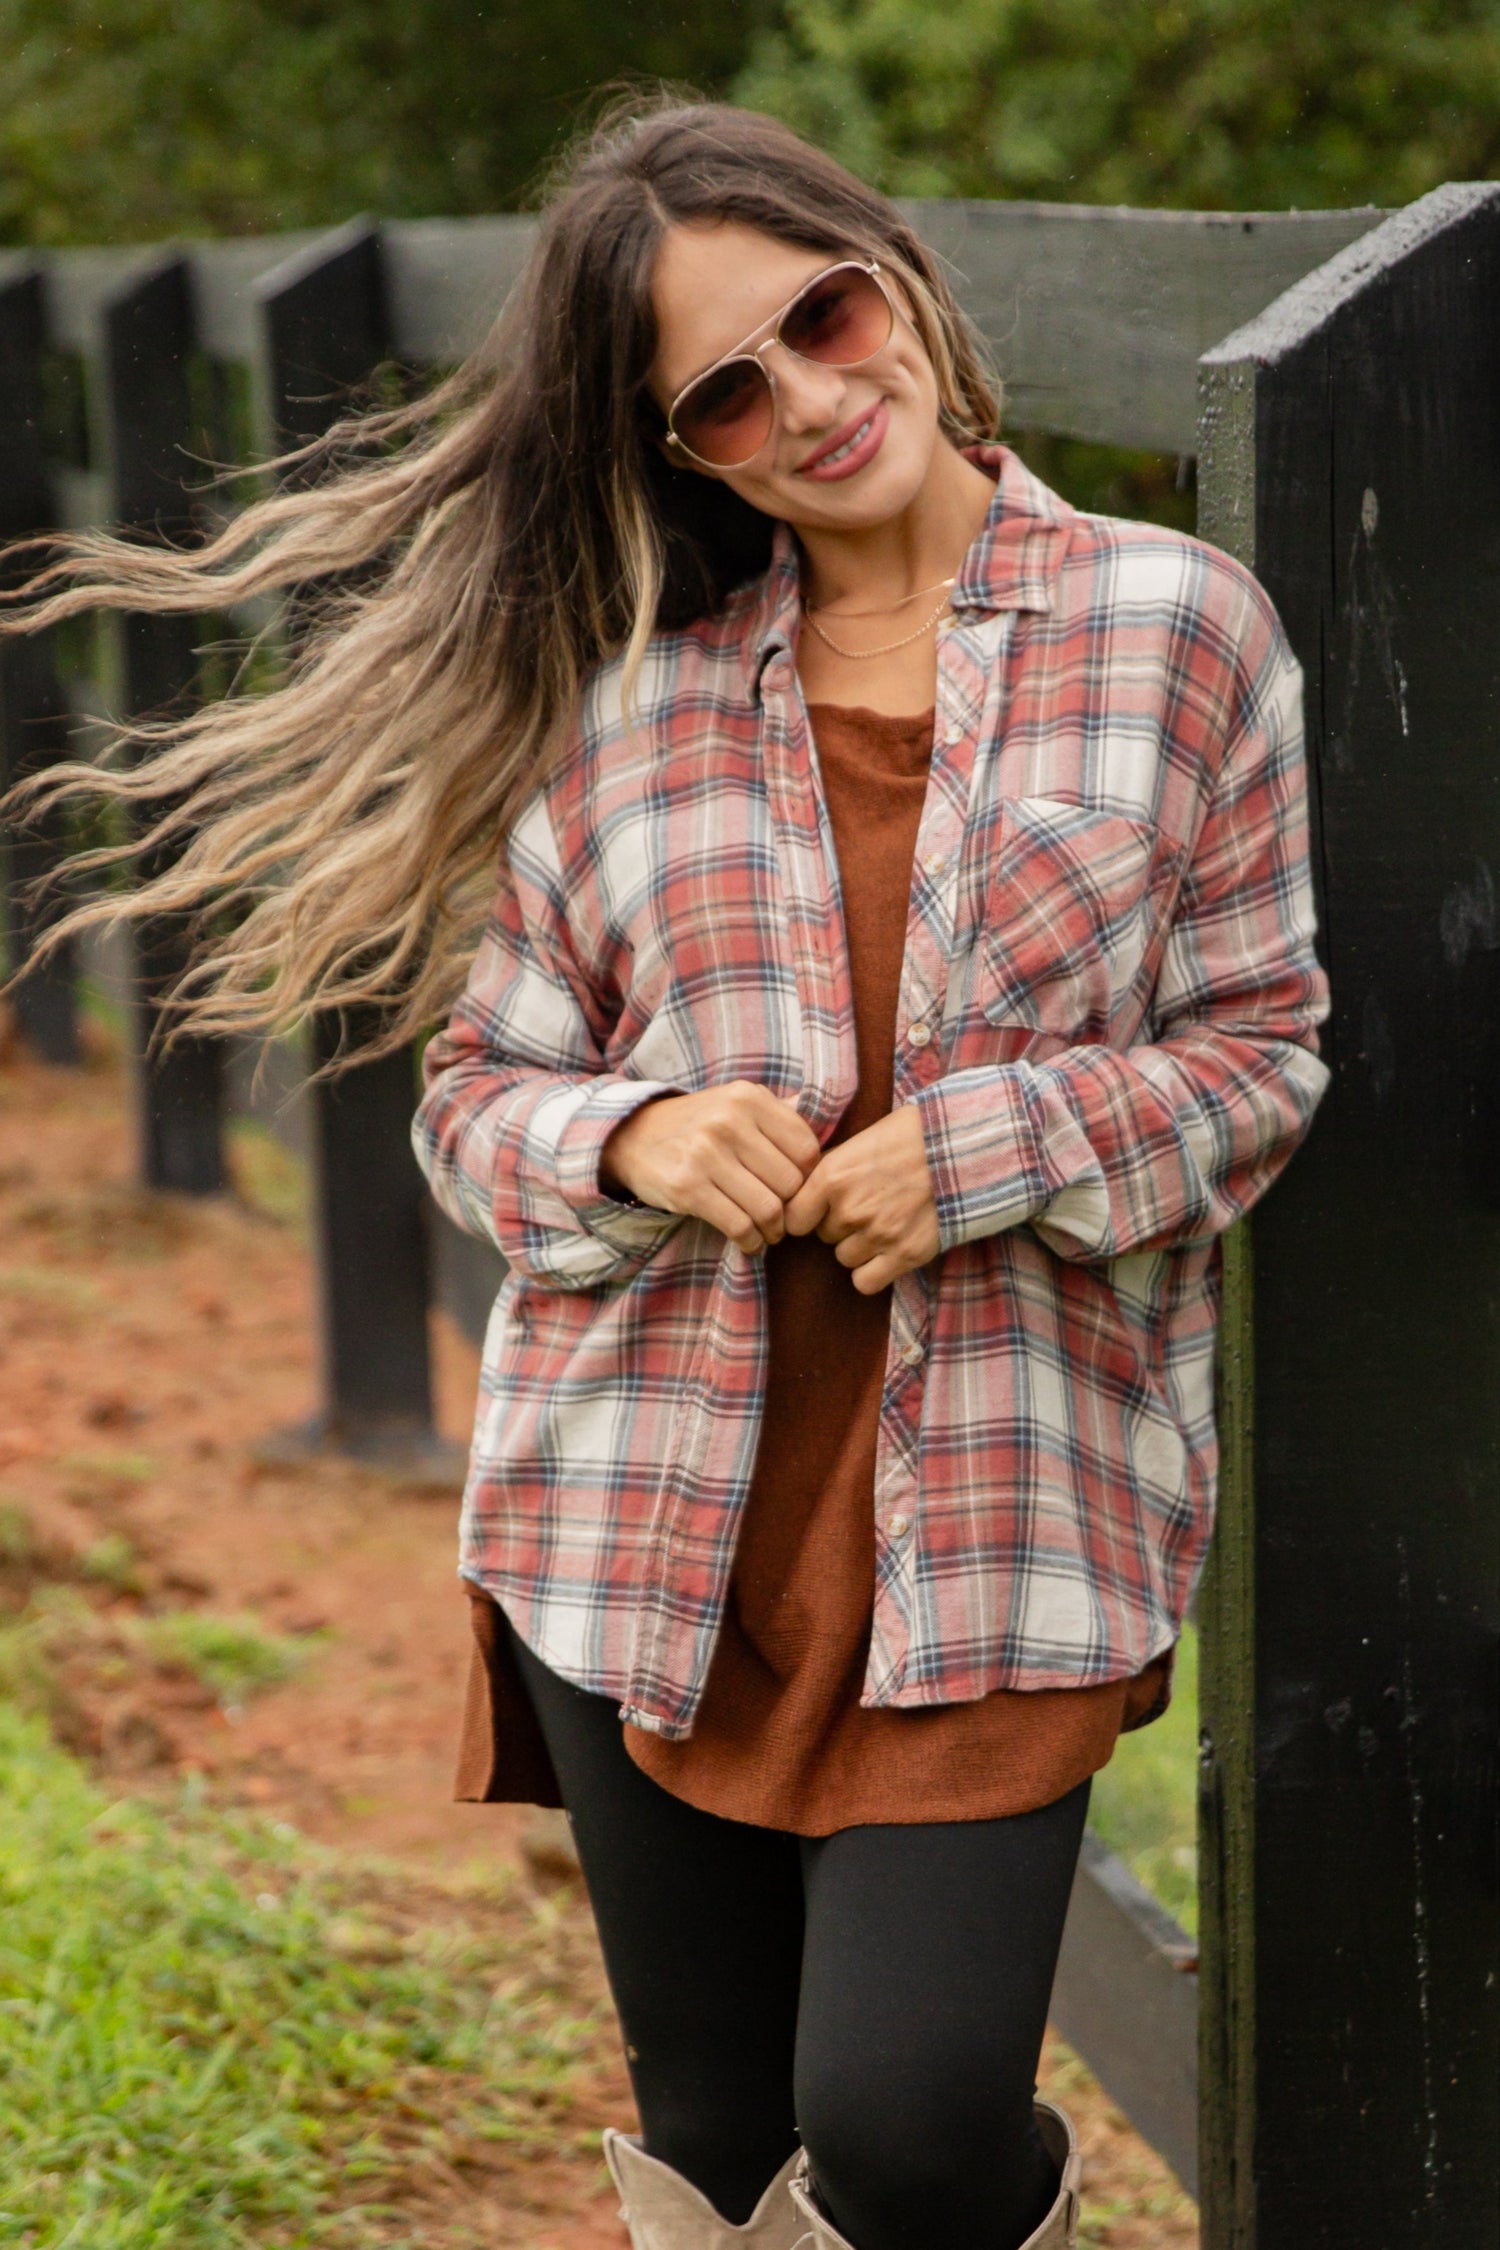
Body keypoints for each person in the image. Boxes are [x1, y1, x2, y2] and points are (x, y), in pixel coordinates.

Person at [0, 97, 1329, 2250]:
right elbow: (471, 1094)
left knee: (901, 2132)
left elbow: (1265, 1057)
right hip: (641, 1518)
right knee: (713, 2151)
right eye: (726, 387)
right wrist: (627, 1131)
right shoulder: (631, 711)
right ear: (675, 452)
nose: (808, 395)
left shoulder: (1183, 631)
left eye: (822, 314)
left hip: (1011, 1513)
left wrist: (993, 1147)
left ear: (892, 277)